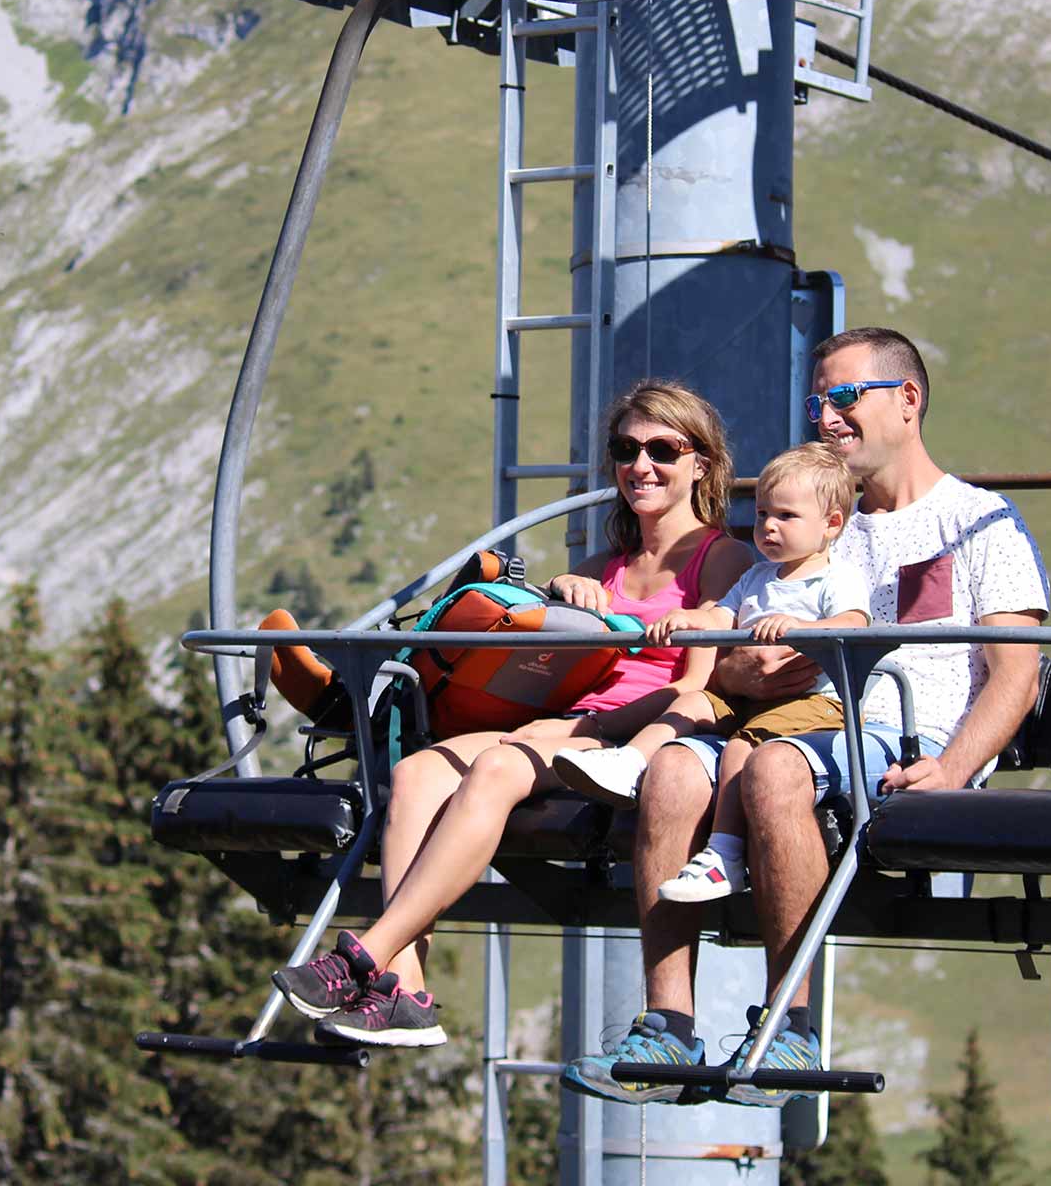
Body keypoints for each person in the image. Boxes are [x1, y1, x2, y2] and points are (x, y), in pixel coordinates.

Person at [562, 327, 1050, 1108]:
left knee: (777, 766)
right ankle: (668, 1022)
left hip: (893, 734)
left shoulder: (978, 523)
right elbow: (738, 645)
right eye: (818, 400)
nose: (826, 417)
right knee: (674, 769)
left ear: (909, 400)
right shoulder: (814, 520)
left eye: (846, 398)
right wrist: (740, 665)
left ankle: (788, 1027)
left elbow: (1014, 675)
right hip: (786, 718)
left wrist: (952, 768)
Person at [268, 379, 749, 1049]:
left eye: (663, 449)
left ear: (701, 461)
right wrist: (563, 600)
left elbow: (698, 689)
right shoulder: (603, 566)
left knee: (496, 768)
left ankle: (362, 956)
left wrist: (594, 728)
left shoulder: (722, 560)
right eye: (626, 448)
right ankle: (405, 991)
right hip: (567, 723)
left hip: (633, 739)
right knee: (418, 774)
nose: (641, 465)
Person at [550, 442, 869, 904]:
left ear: (832, 524)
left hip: (809, 702)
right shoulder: (759, 577)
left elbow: (854, 624)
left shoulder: (835, 578)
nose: (769, 527)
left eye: (786, 516)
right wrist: (690, 620)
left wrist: (804, 627)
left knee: (744, 746)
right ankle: (630, 761)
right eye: (762, 515)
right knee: (692, 702)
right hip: (751, 696)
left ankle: (724, 851)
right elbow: (721, 616)